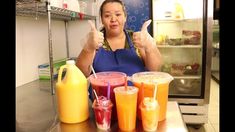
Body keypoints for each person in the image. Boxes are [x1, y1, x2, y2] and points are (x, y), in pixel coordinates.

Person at [76, 0, 162, 99]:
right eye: (107, 16)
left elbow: (154, 69)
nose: (113, 19)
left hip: (133, 103)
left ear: (125, 17)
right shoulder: (96, 40)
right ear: (102, 19)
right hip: (103, 106)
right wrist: (89, 47)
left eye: (118, 14)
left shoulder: (137, 39)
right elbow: (81, 72)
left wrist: (150, 47)